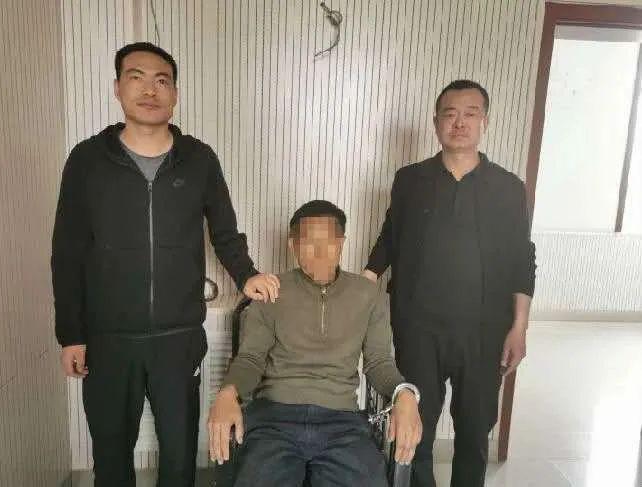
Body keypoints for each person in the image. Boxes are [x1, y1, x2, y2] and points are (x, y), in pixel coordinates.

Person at [51, 42, 279, 487]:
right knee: (111, 457)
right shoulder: (87, 160)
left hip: (178, 339)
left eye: (162, 80)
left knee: (179, 456)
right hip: (108, 339)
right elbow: (67, 251)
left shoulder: (199, 159)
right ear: (117, 88)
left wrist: (247, 274)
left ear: (175, 93)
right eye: (136, 77)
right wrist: (71, 334)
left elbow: (225, 232)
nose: (149, 90)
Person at [363, 80, 536, 487]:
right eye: (450, 114)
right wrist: (365, 284)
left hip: (484, 331)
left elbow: (521, 258)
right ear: (436, 122)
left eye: (470, 114)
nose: (460, 123)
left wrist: (519, 326)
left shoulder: (508, 188)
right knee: (415, 425)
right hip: (418, 327)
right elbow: (391, 237)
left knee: (475, 430)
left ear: (484, 122)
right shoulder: (410, 180)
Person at [208, 200, 423, 487]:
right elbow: (250, 359)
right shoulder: (270, 292)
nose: (320, 253)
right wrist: (227, 392)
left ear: (341, 243)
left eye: (329, 242)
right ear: (293, 245)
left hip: (343, 424)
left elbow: (378, 363)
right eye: (309, 243)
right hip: (274, 420)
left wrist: (404, 393)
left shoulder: (369, 297)